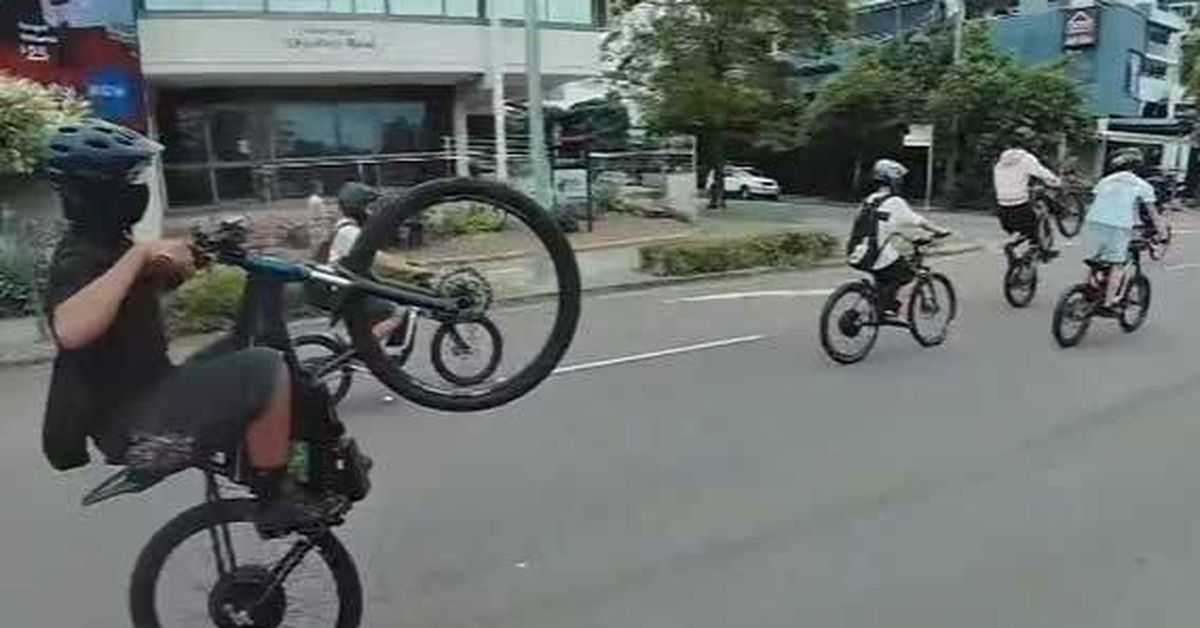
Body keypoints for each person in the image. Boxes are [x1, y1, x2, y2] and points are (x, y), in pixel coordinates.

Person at [40, 119, 339, 536]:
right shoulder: (78, 256)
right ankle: (273, 499)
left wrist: (192, 255)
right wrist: (139, 257)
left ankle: (298, 468)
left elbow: (156, 282)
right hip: (137, 427)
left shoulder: (112, 247)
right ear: (94, 190)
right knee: (264, 366)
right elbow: (71, 329)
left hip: (153, 394)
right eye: (127, 179)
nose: (137, 189)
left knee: (251, 350)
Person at [850, 159, 951, 316]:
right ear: (893, 180)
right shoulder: (895, 202)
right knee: (906, 273)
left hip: (858, 252)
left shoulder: (870, 199)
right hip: (877, 254)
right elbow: (918, 221)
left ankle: (878, 303)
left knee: (885, 274)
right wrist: (940, 231)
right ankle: (886, 307)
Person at [326, 181, 414, 344]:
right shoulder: (350, 232)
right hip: (348, 292)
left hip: (349, 287)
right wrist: (411, 270)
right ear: (358, 208)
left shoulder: (347, 229)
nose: (372, 212)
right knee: (399, 312)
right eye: (368, 206)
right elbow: (379, 261)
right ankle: (362, 348)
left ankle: (369, 346)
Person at [1084, 148, 1167, 311]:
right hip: (1120, 226)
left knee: (1095, 259)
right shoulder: (1142, 185)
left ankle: (1088, 289)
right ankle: (1108, 304)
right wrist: (1162, 235)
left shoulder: (1105, 181)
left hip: (1093, 222)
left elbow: (1096, 201)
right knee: (1118, 264)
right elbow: (1154, 215)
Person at [993, 136, 1062, 261]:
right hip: (1020, 207)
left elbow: (1008, 182)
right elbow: (1042, 172)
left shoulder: (1000, 163)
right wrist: (1056, 181)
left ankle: (1017, 254)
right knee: (1033, 232)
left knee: (1023, 231)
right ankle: (1041, 252)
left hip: (1002, 208)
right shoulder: (1026, 158)